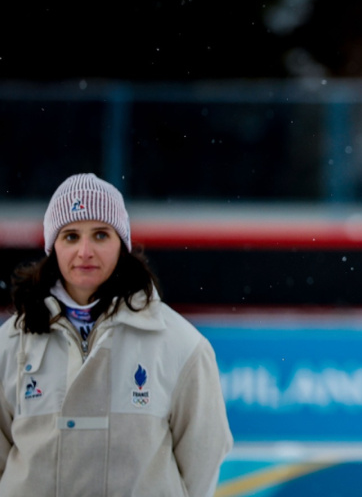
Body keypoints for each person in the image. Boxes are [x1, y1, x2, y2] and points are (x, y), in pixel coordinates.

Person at [0, 173, 232, 496]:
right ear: (53, 246)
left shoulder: (182, 346)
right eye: (71, 236)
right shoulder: (9, 345)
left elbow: (203, 456)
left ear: (121, 244)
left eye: (100, 235)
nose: (85, 251)